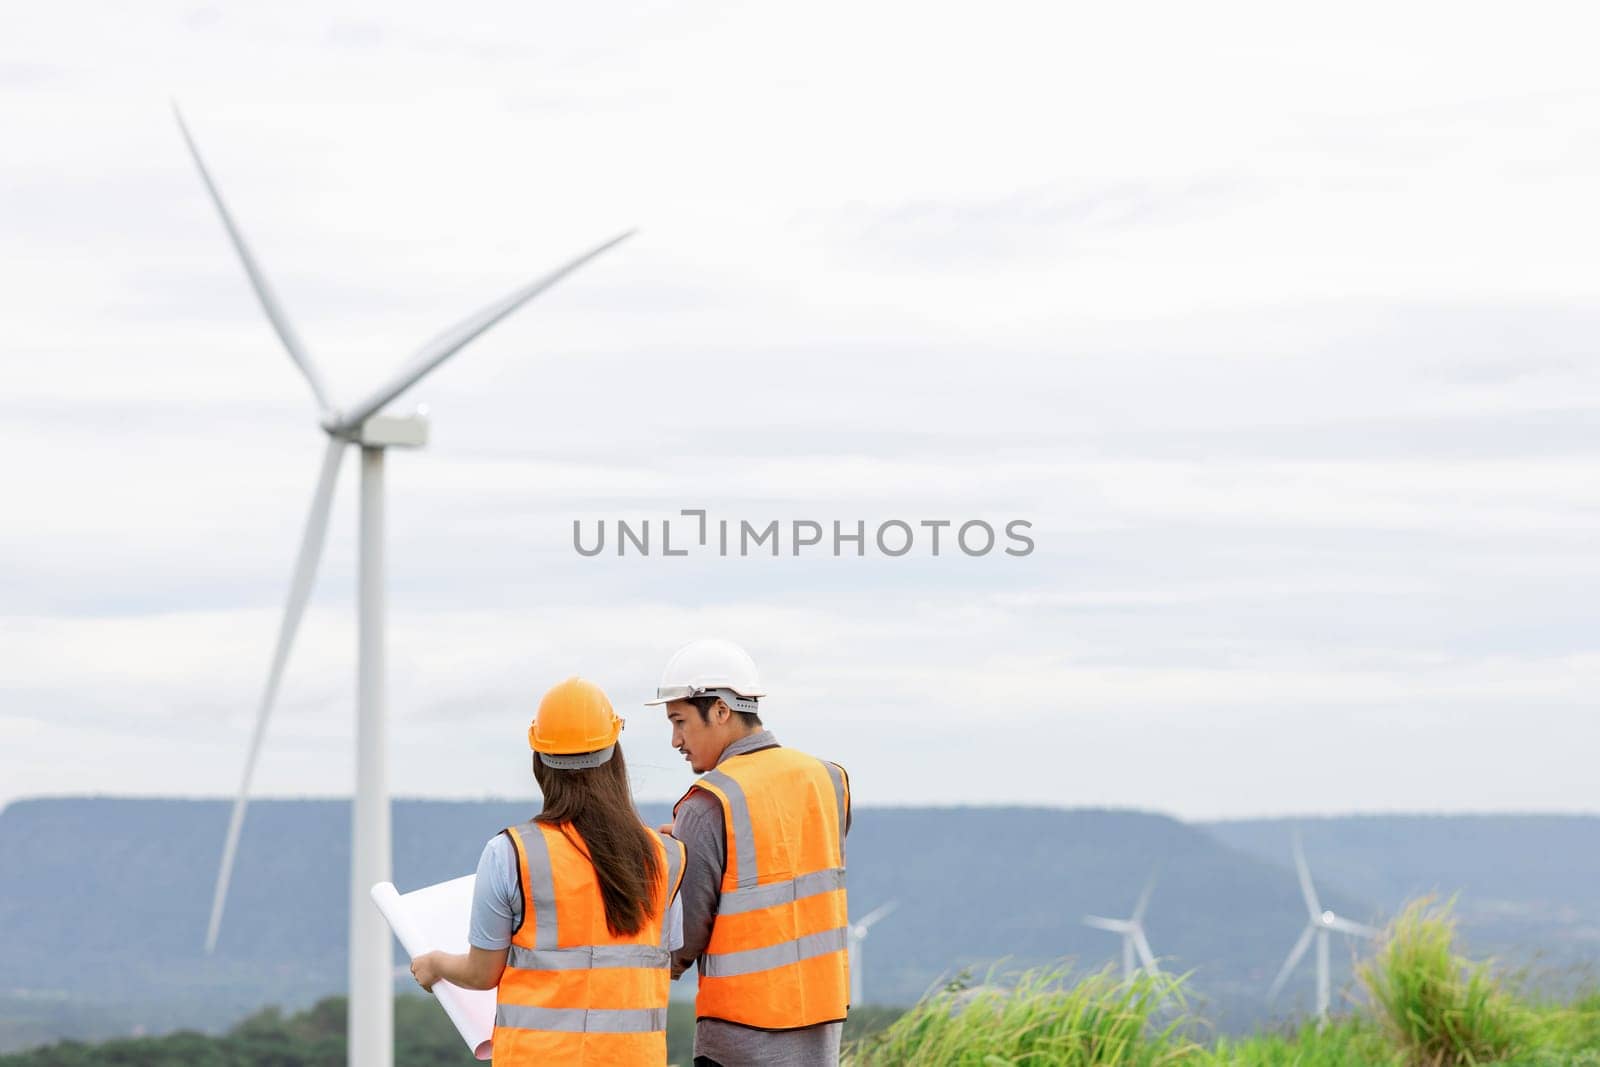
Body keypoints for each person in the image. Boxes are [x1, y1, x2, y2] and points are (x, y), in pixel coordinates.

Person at [411, 676, 686, 1065]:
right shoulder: (666, 856)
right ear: (615, 754)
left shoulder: (510, 853)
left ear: (540, 760)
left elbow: (481, 972)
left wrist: (434, 964)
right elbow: (667, 961)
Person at [647, 639, 851, 1067]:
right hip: (820, 1025)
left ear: (721, 710)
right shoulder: (829, 780)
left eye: (680, 721)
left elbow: (683, 938)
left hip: (739, 1034)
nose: (675, 740)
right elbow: (786, 860)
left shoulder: (708, 802)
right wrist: (699, 844)